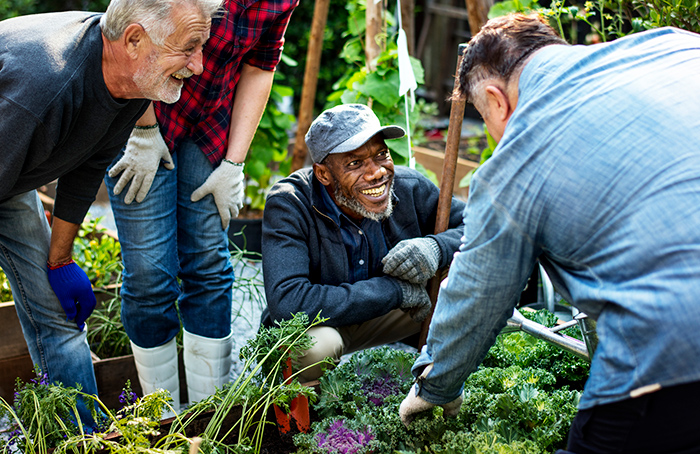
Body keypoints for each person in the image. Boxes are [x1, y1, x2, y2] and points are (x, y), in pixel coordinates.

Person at [398, 13, 700, 454]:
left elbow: (477, 291)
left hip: (672, 354)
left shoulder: (515, 163)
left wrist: (435, 385)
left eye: (486, 120)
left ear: (496, 100)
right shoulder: (672, 47)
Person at [0, 0, 221, 424]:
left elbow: (85, 166)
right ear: (134, 39)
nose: (199, 65)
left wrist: (59, 260)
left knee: (57, 315)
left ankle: (81, 439)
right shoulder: (45, 86)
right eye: (189, 47)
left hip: (12, 177)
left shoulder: (129, 86)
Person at [104, 0, 299, 410]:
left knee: (209, 265)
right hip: (145, 108)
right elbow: (132, 36)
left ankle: (204, 415)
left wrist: (234, 163)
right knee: (149, 276)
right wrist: (141, 131)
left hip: (209, 126)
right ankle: (161, 416)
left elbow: (260, 68)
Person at [260, 103, 467, 381]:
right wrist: (394, 292)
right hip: (324, 325)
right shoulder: (290, 204)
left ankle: (441, 384)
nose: (376, 173)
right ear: (323, 174)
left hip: (393, 315)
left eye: (381, 154)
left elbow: (479, 227)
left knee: (471, 276)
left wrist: (436, 248)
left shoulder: (409, 187)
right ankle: (310, 418)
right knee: (312, 349)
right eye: (355, 163)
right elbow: (288, 301)